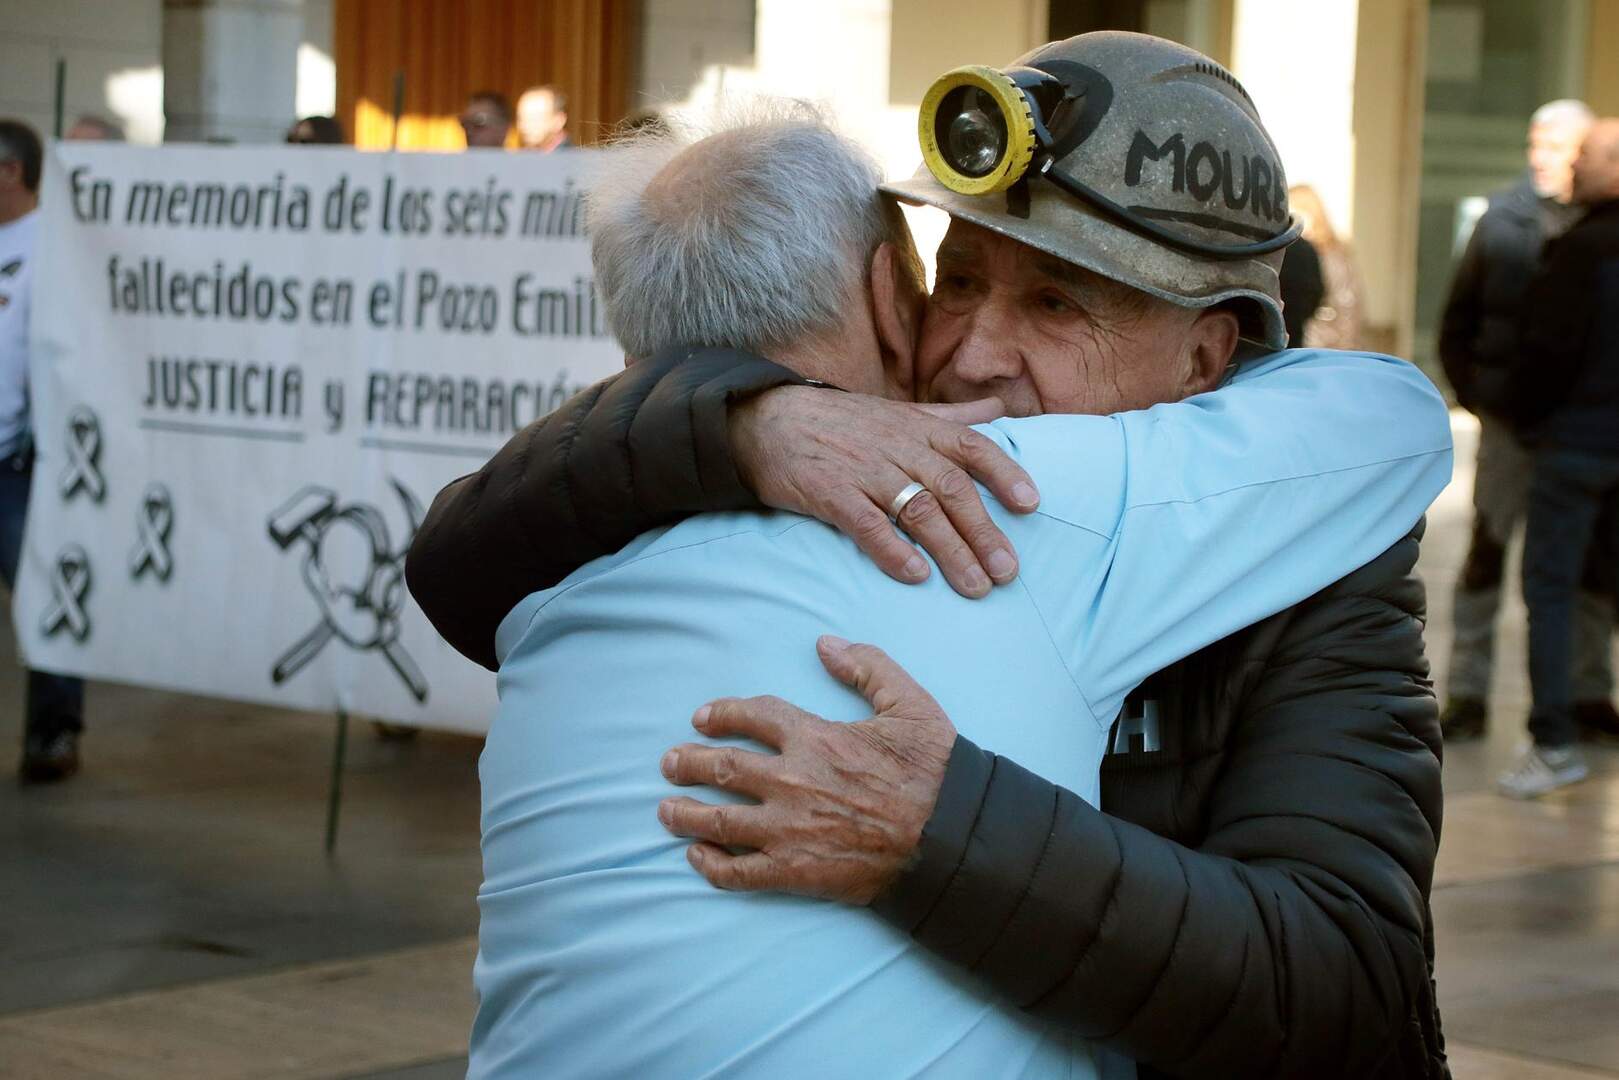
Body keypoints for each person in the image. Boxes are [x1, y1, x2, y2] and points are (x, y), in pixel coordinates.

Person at [417, 34, 1454, 1078]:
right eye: (955, 281)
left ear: (1204, 356)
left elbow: (1344, 980)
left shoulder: (1316, 556)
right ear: (894, 293)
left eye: (1055, 302)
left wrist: (941, 827)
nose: (967, 355)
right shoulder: (860, 484)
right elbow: (460, 562)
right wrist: (741, 422)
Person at [1437, 98, 1617, 742]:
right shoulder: (1502, 218)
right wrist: (1483, 396)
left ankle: (1590, 691)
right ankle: (1468, 691)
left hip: (1580, 432)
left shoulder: (1598, 228)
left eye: (1560, 146)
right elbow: (1458, 319)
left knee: (1593, 563)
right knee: (1488, 553)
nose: (1543, 156)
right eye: (1535, 142)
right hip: (1512, 425)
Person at [1497, 118, 1619, 798]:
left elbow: (1544, 353)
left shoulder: (1580, 251)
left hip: (1574, 448)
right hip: (1590, 443)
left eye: (1584, 157)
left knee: (1549, 591)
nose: (1569, 168)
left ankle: (1553, 741)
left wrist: (1527, 419)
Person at [0, 119, 86, 782]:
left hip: (18, 458)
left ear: (11, 172)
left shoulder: (53, 246)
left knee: (41, 595)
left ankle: (53, 731)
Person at [1289, 183, 1365, 349]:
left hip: (1325, 348)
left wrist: (1343, 355)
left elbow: (1347, 307)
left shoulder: (1328, 256)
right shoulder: (1304, 254)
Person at [1277, 232, 1324, 344]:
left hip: (1252, 338)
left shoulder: (1256, 243)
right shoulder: (1305, 248)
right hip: (1294, 333)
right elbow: (1316, 293)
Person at [514, 85, 568, 151]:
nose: (524, 126)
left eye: (533, 119)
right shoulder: (528, 154)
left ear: (559, 121)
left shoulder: (571, 158)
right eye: (521, 119)